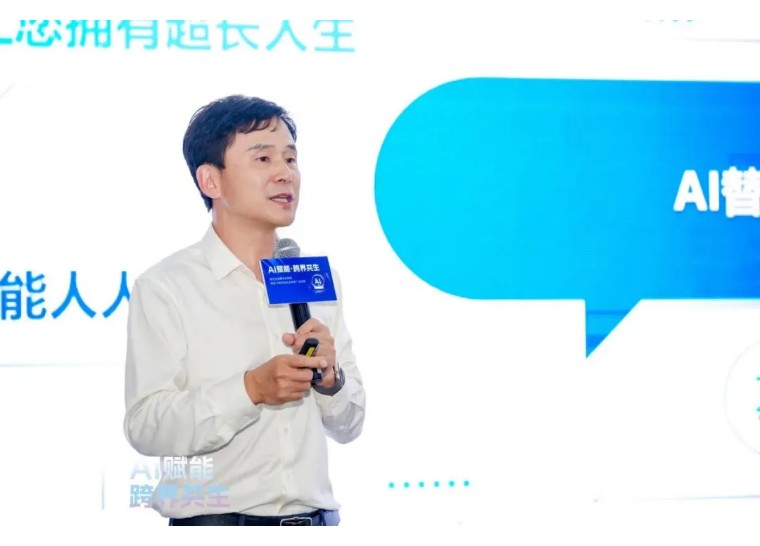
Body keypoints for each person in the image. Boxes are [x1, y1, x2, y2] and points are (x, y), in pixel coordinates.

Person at [122, 94, 366, 526]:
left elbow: (350, 425)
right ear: (210, 181)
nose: (284, 173)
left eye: (291, 158)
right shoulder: (166, 287)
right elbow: (145, 426)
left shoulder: (315, 279)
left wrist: (331, 381)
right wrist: (251, 389)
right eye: (263, 158)